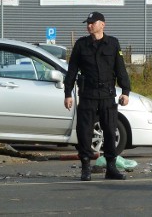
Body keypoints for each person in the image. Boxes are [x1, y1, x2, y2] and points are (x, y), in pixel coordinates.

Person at [64, 11, 130, 181]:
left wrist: (125, 91)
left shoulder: (113, 44)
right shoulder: (81, 45)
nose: (89, 25)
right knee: (84, 131)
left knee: (109, 130)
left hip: (107, 94)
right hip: (88, 94)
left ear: (102, 24)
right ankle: (86, 167)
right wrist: (68, 93)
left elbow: (120, 69)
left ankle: (111, 167)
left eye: (92, 23)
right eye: (88, 23)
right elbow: (71, 71)